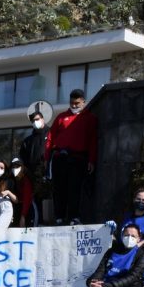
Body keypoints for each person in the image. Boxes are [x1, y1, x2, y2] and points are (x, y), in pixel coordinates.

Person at [45, 88, 98, 225]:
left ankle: (74, 217)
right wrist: (47, 157)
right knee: (59, 189)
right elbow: (50, 137)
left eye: (77, 103)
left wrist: (91, 160)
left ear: (83, 102)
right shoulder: (61, 117)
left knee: (75, 189)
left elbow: (93, 140)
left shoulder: (90, 118)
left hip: (78, 158)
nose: (74, 106)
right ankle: (59, 217)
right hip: (59, 157)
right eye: (72, 103)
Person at [19, 111, 49, 183]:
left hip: (49, 174)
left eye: (37, 119)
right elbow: (23, 158)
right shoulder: (28, 140)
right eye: (33, 121)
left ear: (43, 119)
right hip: (33, 176)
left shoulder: (52, 134)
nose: (35, 122)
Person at [9, 158, 36, 228]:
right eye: (13, 167)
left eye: (17, 166)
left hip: (28, 209)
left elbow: (27, 199)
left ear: (22, 167)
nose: (15, 168)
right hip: (18, 209)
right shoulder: (12, 180)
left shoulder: (26, 180)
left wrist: (23, 216)